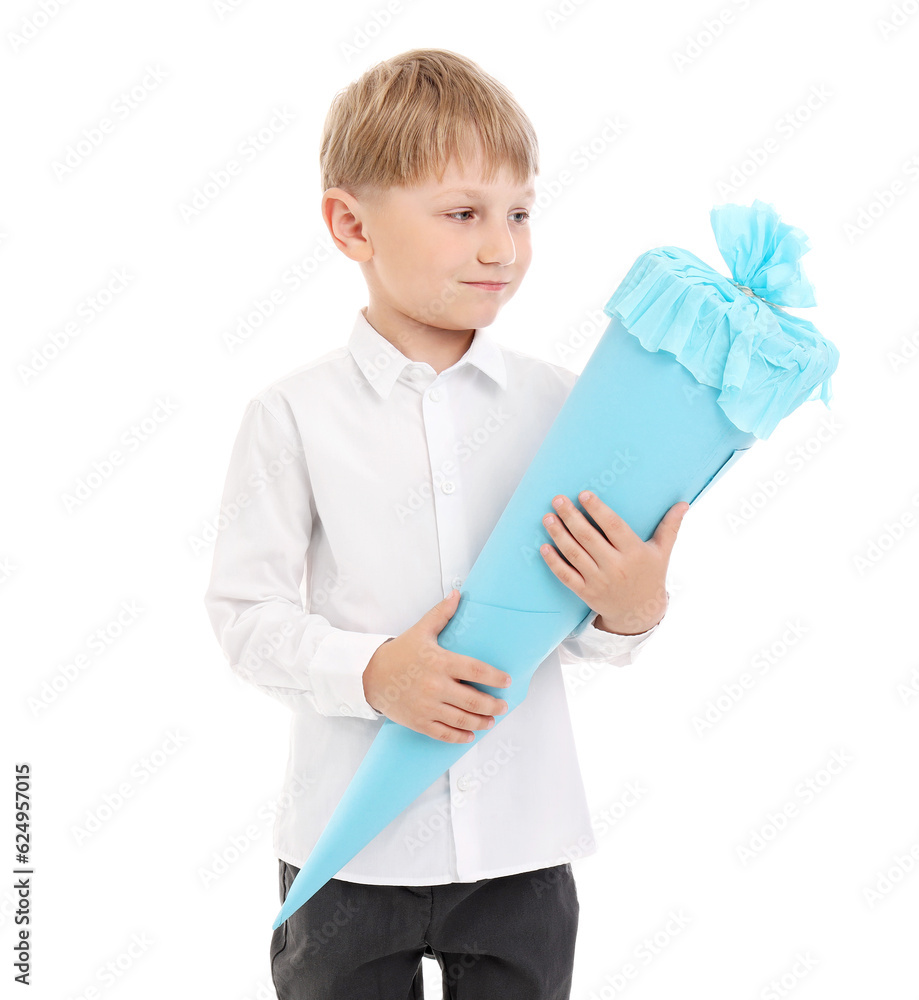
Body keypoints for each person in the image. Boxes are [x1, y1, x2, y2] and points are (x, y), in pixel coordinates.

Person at [203, 47, 688, 999]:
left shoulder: (569, 408)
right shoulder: (292, 414)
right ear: (350, 224)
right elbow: (244, 618)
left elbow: (589, 635)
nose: (501, 246)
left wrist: (631, 608)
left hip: (521, 844)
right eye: (462, 213)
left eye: (517, 212)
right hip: (348, 848)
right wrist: (374, 672)